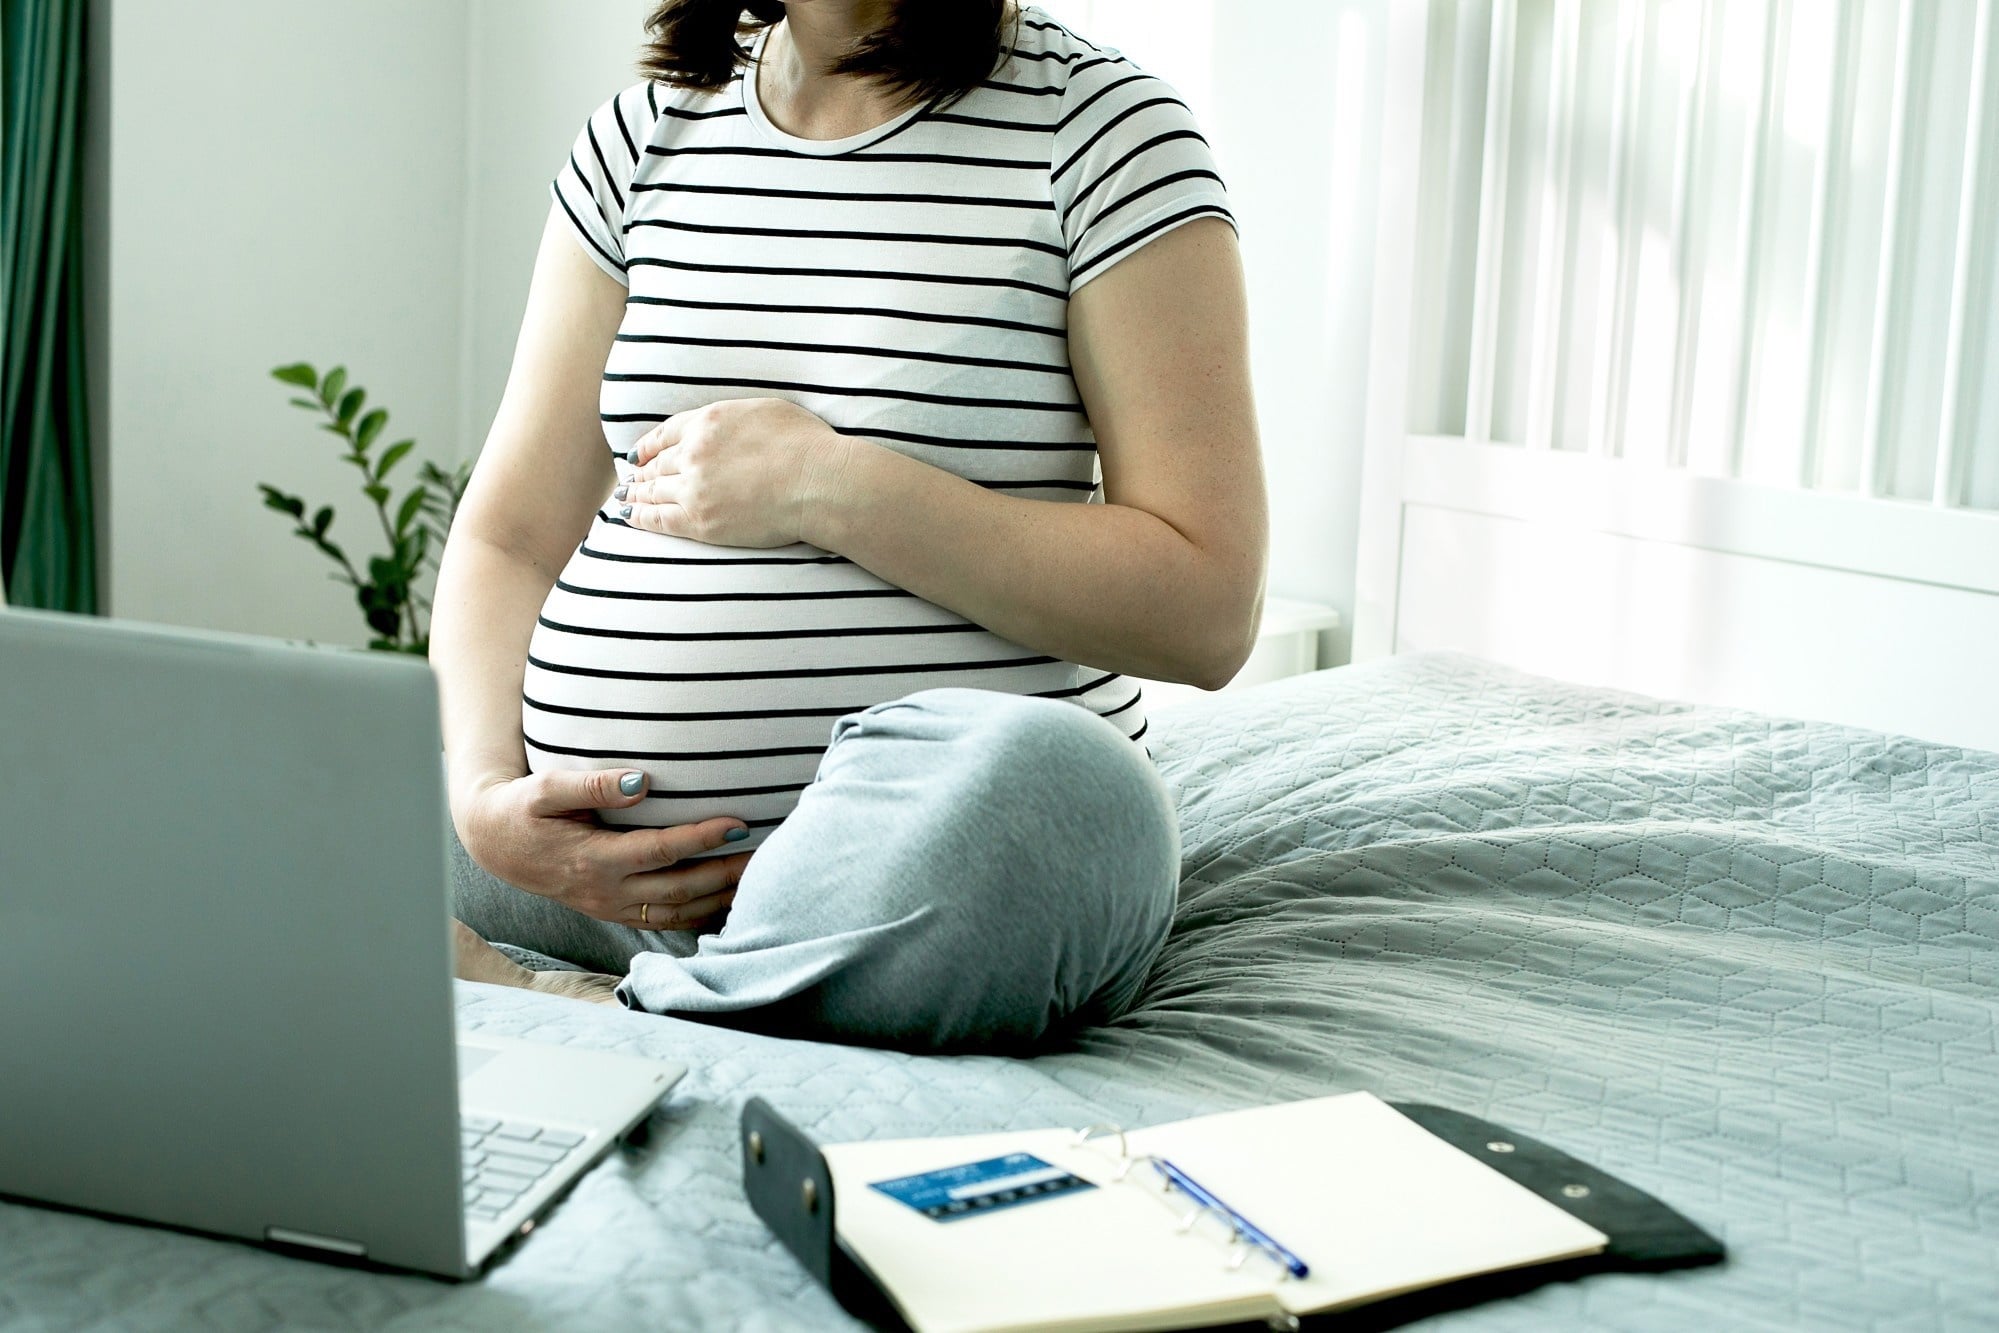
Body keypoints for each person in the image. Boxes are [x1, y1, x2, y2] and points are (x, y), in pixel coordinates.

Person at [432, 0, 1266, 1049]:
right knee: (279, 790)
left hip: (908, 882)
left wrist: (829, 487)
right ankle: (694, 995)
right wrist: (481, 797)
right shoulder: (643, 135)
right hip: (577, 884)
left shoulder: (1100, 133)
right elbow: (507, 534)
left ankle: (599, 1008)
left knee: (1072, 799)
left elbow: (1207, 605)